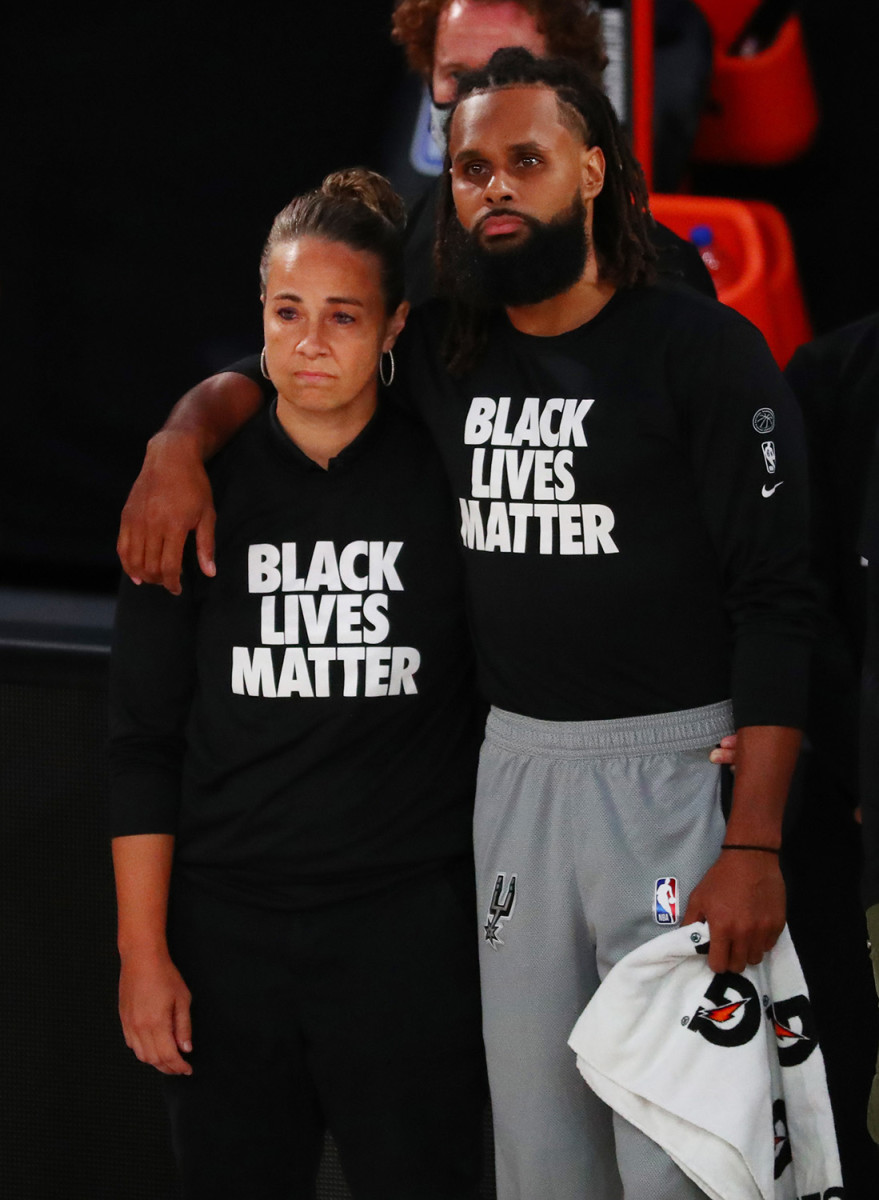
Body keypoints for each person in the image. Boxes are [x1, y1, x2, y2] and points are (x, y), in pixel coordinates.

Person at [116, 48, 813, 1199]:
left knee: (685, 1156)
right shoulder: (450, 352)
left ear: (592, 169)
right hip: (515, 780)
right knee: (540, 1161)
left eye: (525, 160)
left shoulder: (698, 350)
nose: (495, 186)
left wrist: (754, 842)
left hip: (673, 777)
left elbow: (781, 598)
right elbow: (302, 353)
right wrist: (180, 438)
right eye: (474, 166)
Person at [108, 169, 487, 1200]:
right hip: (225, 938)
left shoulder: (445, 480)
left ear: (394, 326)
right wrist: (142, 954)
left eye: (343, 315)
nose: (311, 341)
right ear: (261, 314)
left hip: (407, 937)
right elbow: (143, 741)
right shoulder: (186, 494)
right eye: (287, 311)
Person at [389, 0, 715, 302]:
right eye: (457, 75)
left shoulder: (661, 282)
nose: (475, 99)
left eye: (507, 72)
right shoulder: (398, 252)